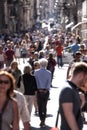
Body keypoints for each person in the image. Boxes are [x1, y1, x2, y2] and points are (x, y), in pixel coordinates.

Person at [59, 62, 87, 130]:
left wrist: (82, 102)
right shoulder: (68, 89)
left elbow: (74, 111)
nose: (86, 81)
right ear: (80, 76)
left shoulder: (73, 88)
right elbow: (69, 114)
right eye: (86, 78)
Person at [34, 58, 52, 127]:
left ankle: (41, 119)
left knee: (40, 106)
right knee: (44, 105)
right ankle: (43, 119)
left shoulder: (36, 72)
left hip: (39, 90)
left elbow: (36, 81)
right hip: (46, 91)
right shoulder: (49, 72)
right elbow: (49, 82)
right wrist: (46, 89)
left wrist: (39, 89)